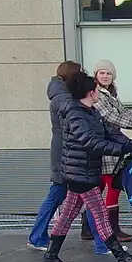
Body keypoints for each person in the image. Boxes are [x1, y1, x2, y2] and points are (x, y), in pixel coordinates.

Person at [43, 72, 132, 262]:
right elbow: (90, 142)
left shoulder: (91, 112)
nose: (98, 91)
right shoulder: (75, 114)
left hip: (85, 170)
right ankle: (121, 256)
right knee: (100, 214)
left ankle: (51, 255)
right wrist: (122, 149)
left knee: (67, 215)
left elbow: (110, 133)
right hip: (79, 172)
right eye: (96, 89)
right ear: (90, 92)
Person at [86, 59, 132, 255]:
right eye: (101, 73)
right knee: (103, 190)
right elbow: (113, 118)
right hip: (105, 148)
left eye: (108, 73)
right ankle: (107, 234)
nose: (105, 76)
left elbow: (125, 113)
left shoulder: (111, 94)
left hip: (111, 145)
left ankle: (100, 233)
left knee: (94, 194)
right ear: (95, 76)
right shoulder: (96, 96)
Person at [28, 60, 101, 251]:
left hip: (65, 150)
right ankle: (103, 244)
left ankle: (41, 238)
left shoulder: (61, 95)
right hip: (66, 152)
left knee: (66, 197)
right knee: (71, 196)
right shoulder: (64, 99)